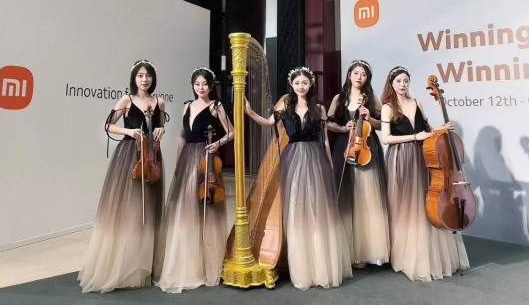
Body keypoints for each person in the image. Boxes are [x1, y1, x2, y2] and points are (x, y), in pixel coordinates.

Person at [245, 66, 352, 290]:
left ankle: (321, 265)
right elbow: (268, 122)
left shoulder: (319, 108)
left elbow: (324, 139)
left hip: (315, 159)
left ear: (310, 84)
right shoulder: (285, 106)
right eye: (297, 83)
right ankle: (301, 265)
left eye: (304, 82)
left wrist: (329, 164)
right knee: (296, 209)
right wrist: (249, 111)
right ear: (291, 85)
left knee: (317, 209)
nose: (301, 86)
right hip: (292, 161)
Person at [79, 60, 167, 293]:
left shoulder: (160, 102)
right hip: (129, 155)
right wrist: (128, 130)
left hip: (152, 157)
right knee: (131, 209)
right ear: (134, 78)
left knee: (148, 209)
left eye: (148, 75)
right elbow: (108, 125)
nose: (144, 79)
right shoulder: (126, 100)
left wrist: (161, 129)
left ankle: (145, 265)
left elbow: (159, 127)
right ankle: (124, 265)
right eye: (140, 75)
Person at [379, 66, 469, 281]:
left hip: (422, 156)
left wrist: (442, 129)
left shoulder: (417, 102)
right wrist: (414, 137)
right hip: (400, 158)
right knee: (404, 206)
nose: (402, 84)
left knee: (423, 204)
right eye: (398, 81)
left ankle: (425, 255)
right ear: (391, 83)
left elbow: (427, 131)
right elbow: (386, 138)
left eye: (405, 81)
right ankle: (403, 256)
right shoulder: (387, 107)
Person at [155, 67, 234, 293]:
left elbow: (232, 132)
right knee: (185, 210)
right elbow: (182, 137)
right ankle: (186, 261)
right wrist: (178, 162)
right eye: (197, 84)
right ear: (192, 85)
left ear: (211, 86)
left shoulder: (216, 106)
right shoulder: (187, 106)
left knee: (206, 210)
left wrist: (217, 143)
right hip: (188, 159)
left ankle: (207, 263)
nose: (201, 87)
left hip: (207, 159)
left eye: (205, 84)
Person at [327, 60, 390, 268]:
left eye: (363, 74)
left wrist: (370, 118)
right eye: (356, 73)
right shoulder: (339, 98)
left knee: (367, 197)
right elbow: (328, 123)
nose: (359, 77)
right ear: (349, 75)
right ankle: (350, 251)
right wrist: (343, 128)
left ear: (367, 78)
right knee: (346, 196)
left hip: (367, 148)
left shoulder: (372, 98)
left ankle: (368, 251)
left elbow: (382, 126)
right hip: (345, 148)